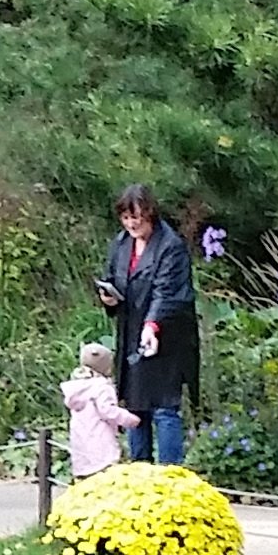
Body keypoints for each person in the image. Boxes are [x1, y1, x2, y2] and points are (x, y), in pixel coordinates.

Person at [98, 182, 199, 464]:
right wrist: (108, 299)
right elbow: (113, 279)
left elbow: (167, 293)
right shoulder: (120, 243)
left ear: (150, 213)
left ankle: (169, 477)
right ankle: (140, 475)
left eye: (137, 217)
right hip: (131, 334)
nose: (131, 223)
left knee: (165, 408)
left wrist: (152, 324)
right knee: (135, 407)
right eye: (126, 217)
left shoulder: (171, 246)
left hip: (167, 340)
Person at [62, 342, 140, 477]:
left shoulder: (77, 387)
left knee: (87, 472)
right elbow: (108, 411)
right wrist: (130, 419)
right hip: (101, 437)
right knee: (105, 472)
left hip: (80, 438)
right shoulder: (101, 387)